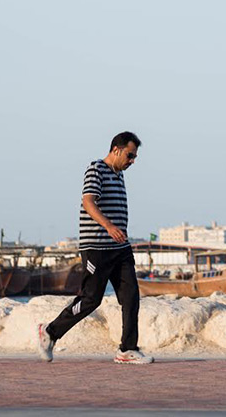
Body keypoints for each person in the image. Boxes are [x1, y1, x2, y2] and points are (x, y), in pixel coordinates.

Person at [37, 131, 153, 364]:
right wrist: (109, 226)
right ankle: (50, 331)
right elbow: (88, 201)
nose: (132, 161)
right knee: (91, 299)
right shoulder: (96, 169)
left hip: (120, 248)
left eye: (135, 157)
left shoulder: (119, 175)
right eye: (130, 156)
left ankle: (127, 349)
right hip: (97, 248)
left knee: (131, 297)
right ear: (116, 150)